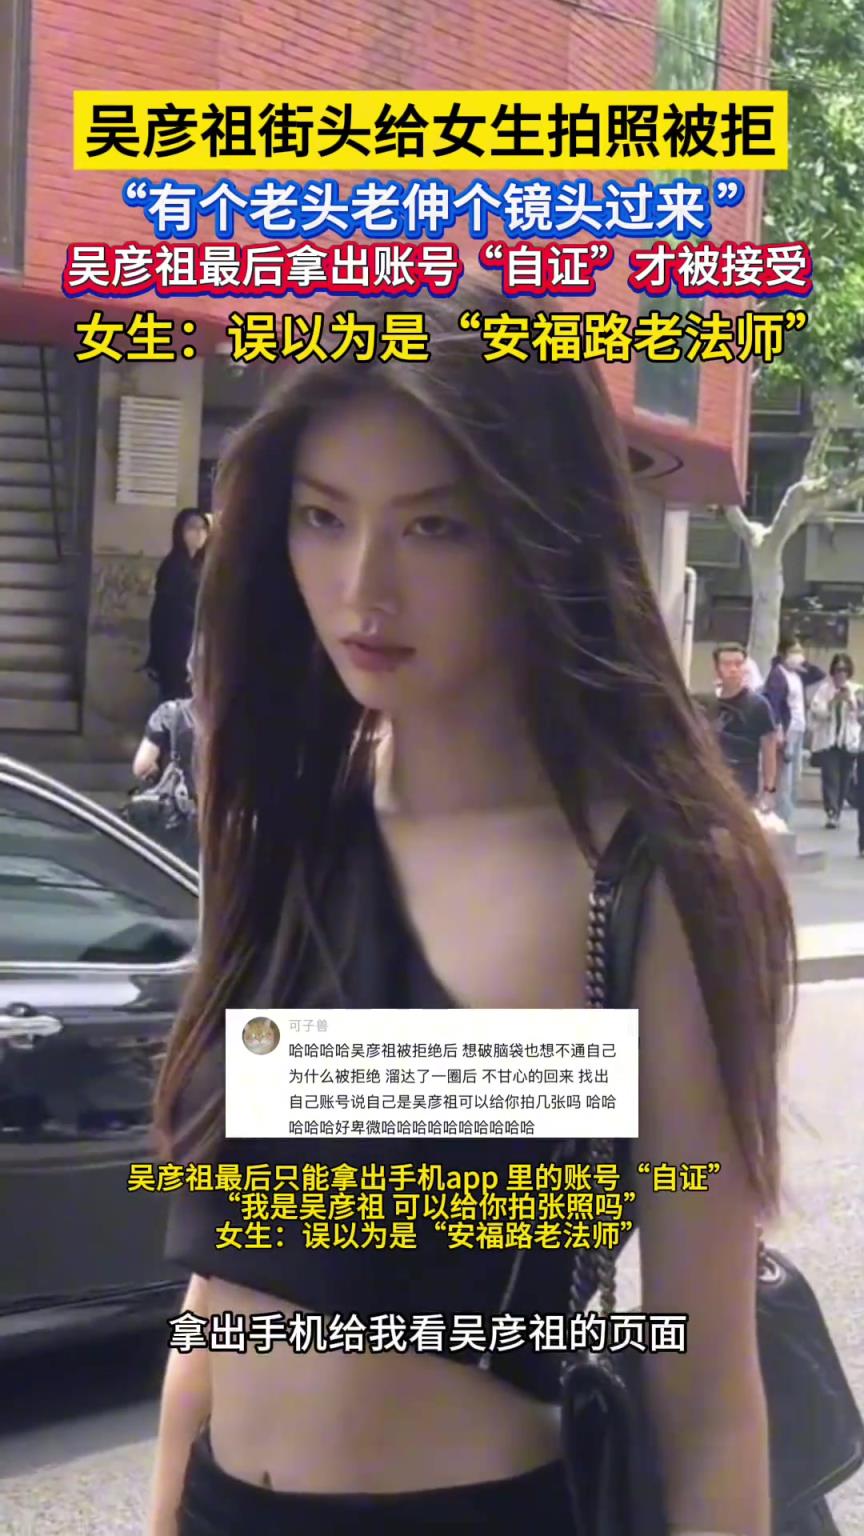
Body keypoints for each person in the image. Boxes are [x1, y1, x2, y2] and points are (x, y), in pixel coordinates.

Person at [147, 285, 794, 1536]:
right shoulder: (292, 823)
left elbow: (708, 1391)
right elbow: (222, 1296)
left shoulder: (649, 876)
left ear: (542, 537)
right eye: (323, 518)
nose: (363, 585)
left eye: (435, 526)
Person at [129, 678, 199, 865]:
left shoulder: (171, 713)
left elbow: (142, 767)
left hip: (182, 818)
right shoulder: (240, 717)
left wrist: (158, 772)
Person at [145, 507, 209, 702]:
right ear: (180, 531)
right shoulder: (173, 566)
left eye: (203, 528)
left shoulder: (199, 565)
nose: (198, 533)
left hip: (194, 645)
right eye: (192, 527)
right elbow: (164, 611)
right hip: (176, 645)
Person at [707, 642, 778, 809]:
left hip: (743, 785)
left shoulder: (758, 705)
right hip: (710, 784)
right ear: (717, 669)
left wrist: (768, 790)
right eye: (727, 664)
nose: (733, 669)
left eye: (738, 664)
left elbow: (769, 749)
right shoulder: (706, 705)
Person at [762, 639, 825, 825]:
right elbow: (773, 704)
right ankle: (781, 817)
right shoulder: (777, 675)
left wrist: (804, 664)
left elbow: (819, 674)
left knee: (796, 777)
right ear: (783, 653)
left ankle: (785, 814)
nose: (798, 655)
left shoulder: (798, 674)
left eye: (800, 651)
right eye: (794, 651)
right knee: (785, 779)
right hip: (787, 731)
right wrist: (778, 728)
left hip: (799, 729)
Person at [808, 653, 864, 828]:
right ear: (833, 671)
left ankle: (837, 810)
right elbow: (816, 712)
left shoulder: (857, 690)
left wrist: (852, 703)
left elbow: (861, 716)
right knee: (830, 777)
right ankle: (831, 811)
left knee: (845, 779)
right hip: (829, 741)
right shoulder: (824, 690)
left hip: (849, 741)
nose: (841, 674)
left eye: (845, 670)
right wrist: (832, 702)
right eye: (838, 670)